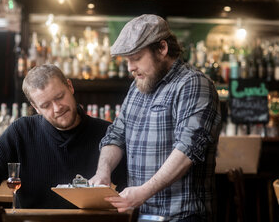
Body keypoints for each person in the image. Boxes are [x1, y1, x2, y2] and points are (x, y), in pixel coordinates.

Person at [89, 14, 222, 222]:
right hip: (142, 215)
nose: (130, 68)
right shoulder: (137, 86)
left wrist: (143, 192)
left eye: (136, 58)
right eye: (127, 60)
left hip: (183, 216)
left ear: (162, 49)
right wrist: (103, 172)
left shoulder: (193, 83)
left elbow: (187, 150)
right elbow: (116, 135)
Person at [0, 64, 126, 209]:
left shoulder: (107, 134)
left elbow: (129, 187)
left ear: (70, 86)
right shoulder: (21, 132)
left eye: (60, 97)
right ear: (35, 107)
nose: (57, 108)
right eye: (46, 105)